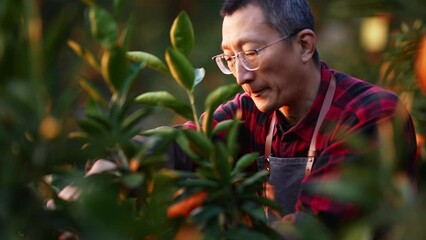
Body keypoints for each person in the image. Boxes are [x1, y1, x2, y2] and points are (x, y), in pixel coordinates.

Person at [57, 0, 417, 232]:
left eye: (252, 52)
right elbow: (185, 142)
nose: (242, 75)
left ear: (304, 45)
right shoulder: (253, 111)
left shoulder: (369, 115)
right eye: (230, 58)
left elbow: (313, 230)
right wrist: (115, 164)